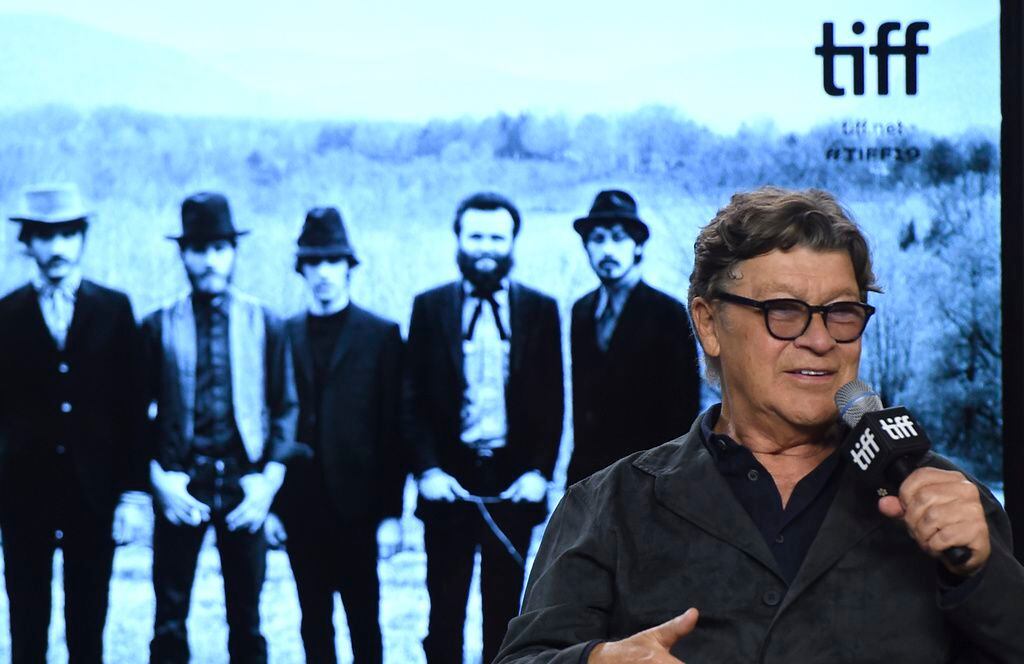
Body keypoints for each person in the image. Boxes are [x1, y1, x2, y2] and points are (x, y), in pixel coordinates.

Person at [496, 186, 1024, 663]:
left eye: (841, 312)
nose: (820, 340)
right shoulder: (606, 507)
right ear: (708, 324)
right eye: (784, 310)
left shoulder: (948, 501)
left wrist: (982, 575)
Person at [404, 192, 564, 663]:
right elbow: (410, 400)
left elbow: (554, 400)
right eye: (475, 236)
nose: (485, 247)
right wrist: (427, 471)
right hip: (448, 487)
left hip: (513, 487)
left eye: (497, 237)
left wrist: (539, 473)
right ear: (458, 239)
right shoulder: (429, 308)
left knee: (506, 616)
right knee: (444, 615)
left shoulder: (540, 309)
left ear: (513, 241)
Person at [143, 192, 298, 664]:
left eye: (219, 248)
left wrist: (266, 482)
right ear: (183, 254)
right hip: (180, 483)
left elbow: (285, 407)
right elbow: (131, 414)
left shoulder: (263, 321)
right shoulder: (157, 325)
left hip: (242, 483)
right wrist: (158, 481)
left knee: (247, 621)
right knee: (168, 619)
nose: (209, 260)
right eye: (198, 249)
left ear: (233, 252)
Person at [0, 183, 148, 664]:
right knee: (27, 626)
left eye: (67, 234)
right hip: (23, 496)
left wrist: (130, 495)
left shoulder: (115, 309)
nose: (57, 247)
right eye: (45, 236)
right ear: (28, 242)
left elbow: (132, 409)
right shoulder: (6, 314)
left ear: (83, 238)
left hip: (94, 495)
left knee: (88, 628)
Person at [266, 206, 405, 663]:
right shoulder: (282, 334)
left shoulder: (381, 335)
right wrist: (274, 507)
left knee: (365, 621)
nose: (323, 273)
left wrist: (390, 513)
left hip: (360, 509)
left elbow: (392, 428)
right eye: (313, 262)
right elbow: (271, 421)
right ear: (301, 269)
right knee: (313, 623)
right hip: (302, 505)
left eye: (332, 261)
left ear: (349, 266)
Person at [567, 189, 701, 485]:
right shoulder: (582, 311)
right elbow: (582, 405)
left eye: (619, 238)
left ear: (638, 246)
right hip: (590, 478)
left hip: (646, 479)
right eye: (598, 239)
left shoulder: (667, 313)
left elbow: (682, 413)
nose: (608, 251)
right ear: (587, 247)